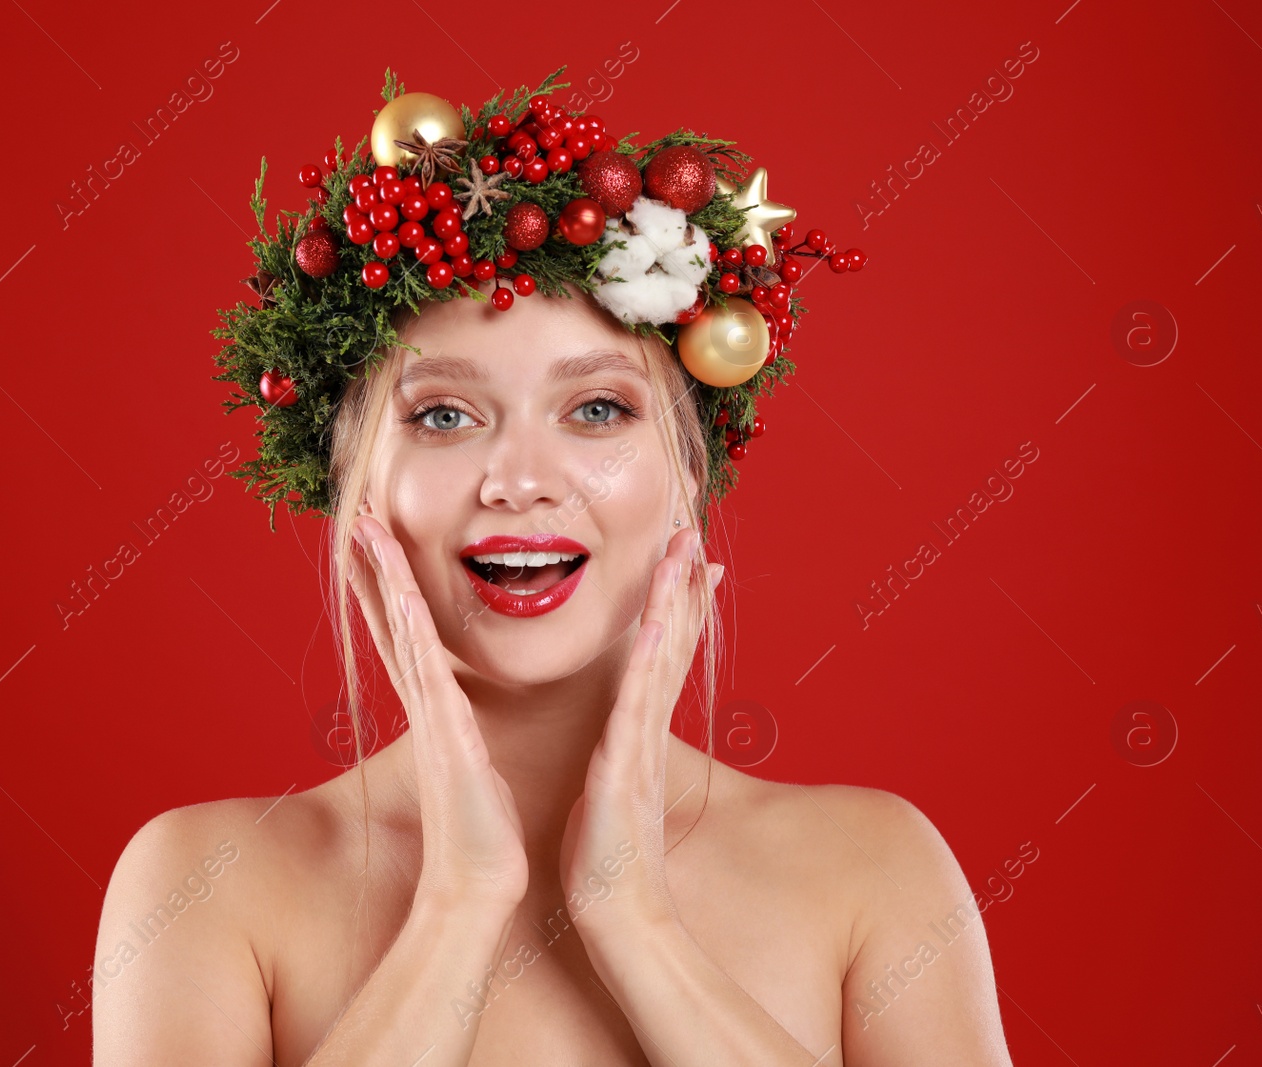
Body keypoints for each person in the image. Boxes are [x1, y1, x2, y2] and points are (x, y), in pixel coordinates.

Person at [91, 68, 1014, 1066]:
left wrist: (636, 922)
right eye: (442, 414)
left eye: (596, 410)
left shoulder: (872, 870)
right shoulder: (207, 885)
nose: (519, 481)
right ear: (357, 489)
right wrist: (456, 904)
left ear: (686, 472)